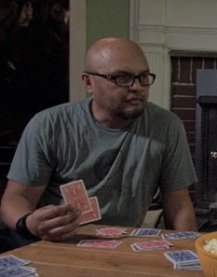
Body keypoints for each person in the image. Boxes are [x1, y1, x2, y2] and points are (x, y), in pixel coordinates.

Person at [0, 37, 198, 249]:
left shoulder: (167, 126)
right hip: (54, 242)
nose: (137, 87)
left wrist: (190, 254)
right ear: (88, 82)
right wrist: (28, 223)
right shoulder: (49, 125)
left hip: (122, 245)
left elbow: (178, 205)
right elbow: (16, 198)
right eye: (121, 78)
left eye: (143, 77)